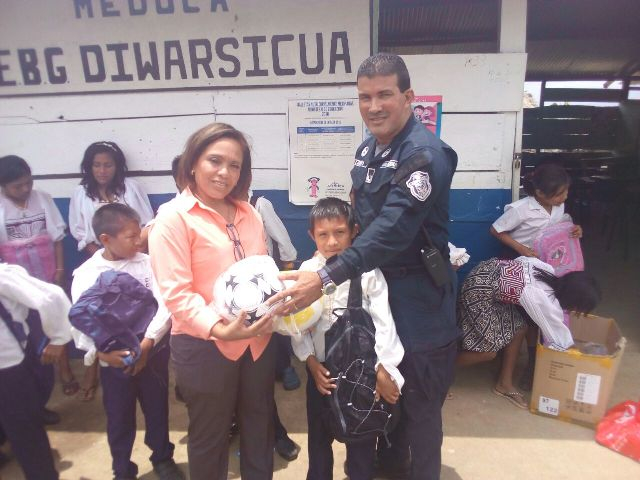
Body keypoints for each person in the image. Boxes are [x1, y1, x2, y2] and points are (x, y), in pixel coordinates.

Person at [270, 53, 459, 479]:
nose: (373, 106)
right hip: (375, 291)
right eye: (364, 97)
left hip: (418, 301)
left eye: (384, 95)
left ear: (408, 97)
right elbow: (360, 222)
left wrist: (324, 277)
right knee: (378, 395)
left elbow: (391, 230)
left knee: (420, 408)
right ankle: (389, 466)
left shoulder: (424, 155)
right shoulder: (368, 150)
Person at [149, 123, 275, 480]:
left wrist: (282, 295)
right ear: (193, 163)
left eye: (234, 165)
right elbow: (177, 293)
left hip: (257, 341)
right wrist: (220, 329)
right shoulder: (173, 219)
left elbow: (261, 270)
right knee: (210, 436)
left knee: (259, 426)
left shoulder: (249, 213)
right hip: (204, 346)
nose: (224, 173)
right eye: (215, 161)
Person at [291, 197, 404, 480]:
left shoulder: (368, 272)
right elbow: (296, 323)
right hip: (323, 374)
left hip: (361, 374)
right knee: (319, 440)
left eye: (339, 232)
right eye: (323, 234)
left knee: (362, 442)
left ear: (354, 230)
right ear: (311, 235)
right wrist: (310, 362)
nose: (332, 242)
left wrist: (384, 368)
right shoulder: (306, 273)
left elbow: (384, 322)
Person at [70, 203, 183, 480]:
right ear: (106, 239)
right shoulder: (87, 273)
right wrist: (100, 354)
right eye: (131, 236)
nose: (138, 241)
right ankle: (122, 468)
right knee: (119, 417)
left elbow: (165, 305)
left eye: (138, 233)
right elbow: (80, 318)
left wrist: (148, 343)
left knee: (156, 408)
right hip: (114, 358)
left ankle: (162, 457)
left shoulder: (148, 264)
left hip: (152, 353)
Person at [69, 141, 154, 402]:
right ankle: (95, 365)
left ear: (117, 167)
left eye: (108, 165)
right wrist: (103, 254)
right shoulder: (81, 193)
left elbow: (146, 224)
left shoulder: (131, 189)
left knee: (137, 315)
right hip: (100, 262)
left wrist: (133, 251)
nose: (102, 170)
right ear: (89, 167)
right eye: (97, 165)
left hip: (133, 260)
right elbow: (79, 230)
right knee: (100, 317)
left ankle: (138, 357)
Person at [456, 256, 601, 408]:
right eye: (580, 308)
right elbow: (560, 340)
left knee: (520, 328)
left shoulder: (547, 271)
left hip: (484, 271)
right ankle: (441, 370)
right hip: (478, 292)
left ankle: (504, 384)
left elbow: (522, 260)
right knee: (488, 352)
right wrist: (587, 363)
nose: (576, 312)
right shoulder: (545, 301)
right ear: (573, 300)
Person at [490, 163, 583, 390]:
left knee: (538, 317)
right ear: (540, 193)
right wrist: (521, 248)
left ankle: (534, 362)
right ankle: (515, 364)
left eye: (566, 191)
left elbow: (564, 225)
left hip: (545, 265)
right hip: (520, 265)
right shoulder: (522, 209)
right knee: (525, 318)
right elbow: (496, 230)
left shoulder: (559, 207)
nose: (564, 197)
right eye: (559, 194)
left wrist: (575, 230)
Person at [0, 155, 78, 398]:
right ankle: (34, 383)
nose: (25, 189)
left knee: (57, 322)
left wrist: (60, 271)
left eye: (28, 182)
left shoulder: (42, 198)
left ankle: (64, 371)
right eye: (17, 186)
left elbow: (57, 238)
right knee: (27, 331)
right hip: (16, 284)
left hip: (48, 274)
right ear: (3, 187)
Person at [0, 263, 73, 480]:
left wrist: (59, 338)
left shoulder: (4, 276)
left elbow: (51, 297)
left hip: (8, 366)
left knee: (25, 431)